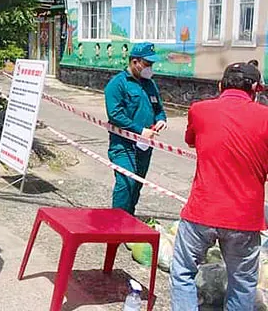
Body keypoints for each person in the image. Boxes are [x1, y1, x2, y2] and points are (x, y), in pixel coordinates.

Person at [170, 62, 268, 311]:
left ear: (220, 85)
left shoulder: (199, 110)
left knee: (182, 272)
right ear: (256, 89)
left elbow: (191, 140)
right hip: (245, 218)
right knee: (243, 282)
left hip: (201, 212)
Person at [104, 42, 167, 215]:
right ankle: (116, 223)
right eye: (147, 64)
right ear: (135, 62)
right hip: (123, 146)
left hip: (144, 146)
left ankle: (129, 218)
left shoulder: (150, 84)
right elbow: (115, 114)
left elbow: (159, 109)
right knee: (125, 183)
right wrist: (139, 130)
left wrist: (161, 120)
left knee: (137, 184)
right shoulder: (117, 84)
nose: (150, 68)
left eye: (152, 64)